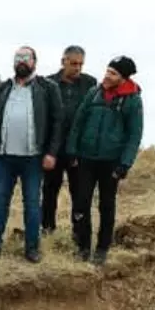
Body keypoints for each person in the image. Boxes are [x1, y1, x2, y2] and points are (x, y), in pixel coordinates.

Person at [0, 46, 65, 263]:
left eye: (26, 58)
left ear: (34, 62)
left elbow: (58, 122)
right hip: (4, 157)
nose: (22, 61)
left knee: (31, 202)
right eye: (18, 58)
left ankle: (32, 248)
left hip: (33, 158)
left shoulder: (47, 88)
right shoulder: (3, 88)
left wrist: (52, 153)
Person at [66, 55, 144, 266]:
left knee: (106, 205)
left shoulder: (132, 100)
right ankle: (83, 247)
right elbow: (78, 123)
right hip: (86, 158)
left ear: (123, 77)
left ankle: (102, 249)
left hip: (111, 161)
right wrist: (72, 151)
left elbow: (134, 135)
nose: (107, 76)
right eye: (108, 71)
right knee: (81, 203)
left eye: (113, 73)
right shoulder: (94, 93)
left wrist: (125, 164)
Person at [44, 46, 97, 234]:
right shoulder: (48, 83)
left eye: (81, 64)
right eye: (74, 63)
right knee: (50, 191)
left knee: (79, 193)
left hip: (78, 150)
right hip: (53, 149)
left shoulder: (90, 83)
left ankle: (79, 233)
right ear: (63, 61)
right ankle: (47, 230)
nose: (77, 68)